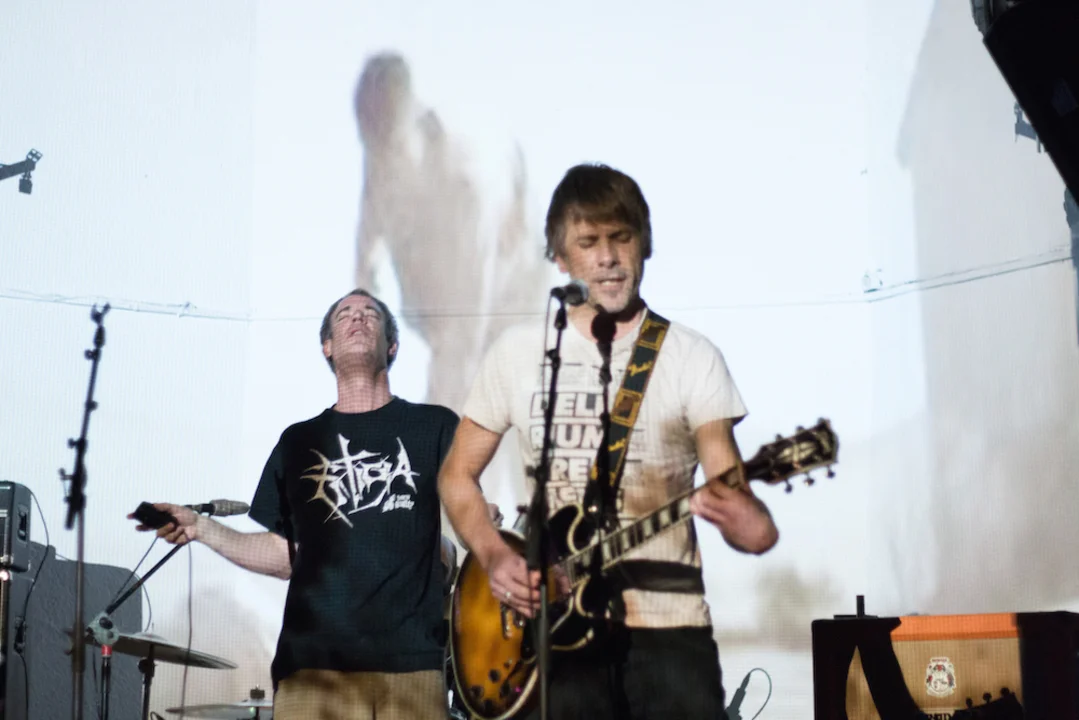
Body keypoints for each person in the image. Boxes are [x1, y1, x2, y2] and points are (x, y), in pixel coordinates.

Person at [438, 163, 780, 719]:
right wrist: (494, 554)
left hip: (670, 631)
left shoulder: (691, 357)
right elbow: (457, 477)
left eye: (622, 238)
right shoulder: (518, 354)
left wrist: (749, 523)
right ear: (559, 257)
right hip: (556, 638)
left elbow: (736, 498)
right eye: (589, 242)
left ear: (645, 245)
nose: (608, 257)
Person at [132, 289, 461, 720]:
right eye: (344, 314)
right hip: (312, 669)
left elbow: (465, 519)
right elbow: (285, 555)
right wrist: (201, 528)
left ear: (393, 346)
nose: (357, 318)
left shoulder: (434, 426)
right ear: (327, 346)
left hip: (411, 666)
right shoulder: (299, 441)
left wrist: (451, 548)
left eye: (371, 314)